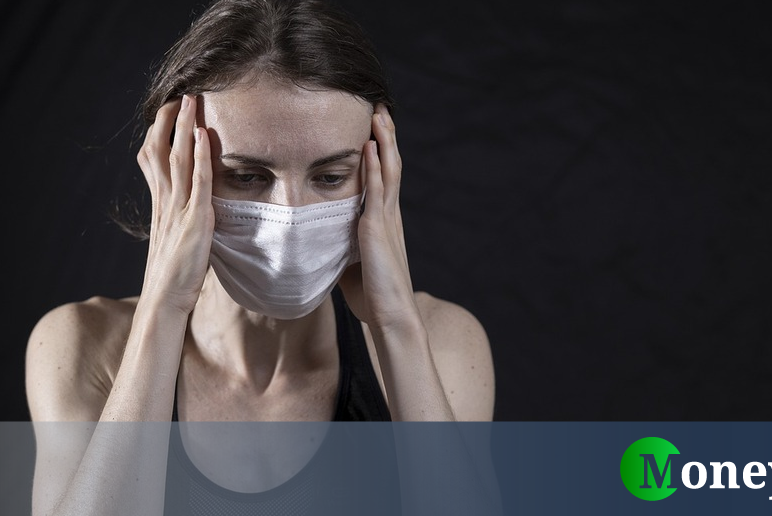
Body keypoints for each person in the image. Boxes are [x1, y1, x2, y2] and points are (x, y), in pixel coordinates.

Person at [25, 0, 495, 514]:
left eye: (331, 176)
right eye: (246, 176)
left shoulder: (442, 344)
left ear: (378, 173)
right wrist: (163, 308)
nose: (291, 214)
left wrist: (396, 325)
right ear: (174, 171)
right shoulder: (84, 347)